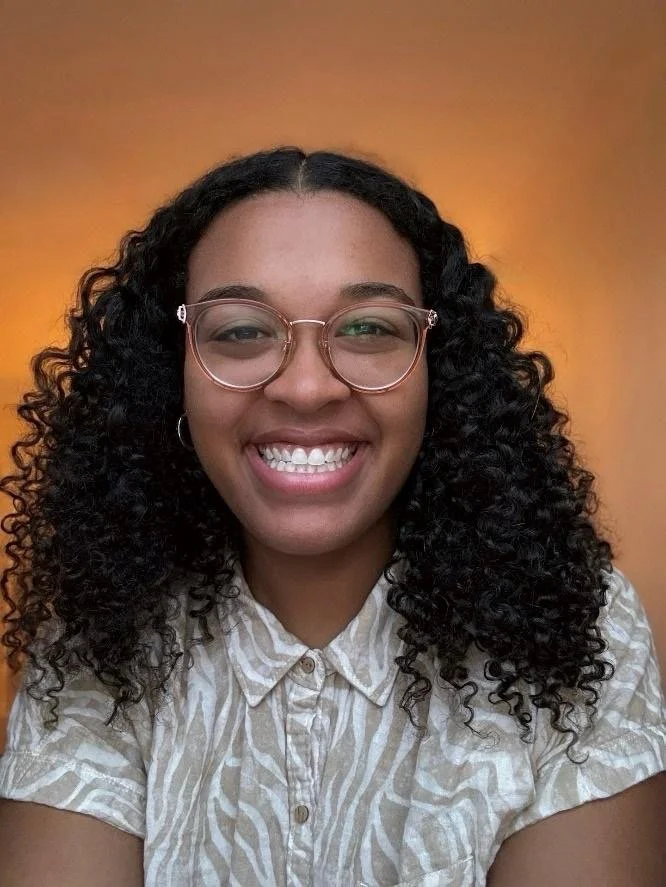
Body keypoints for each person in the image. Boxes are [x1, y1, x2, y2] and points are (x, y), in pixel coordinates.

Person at [0, 148, 663, 887]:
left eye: (369, 328)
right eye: (241, 331)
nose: (307, 387)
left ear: (438, 372)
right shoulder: (99, 634)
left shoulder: (581, 629)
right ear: (169, 377)